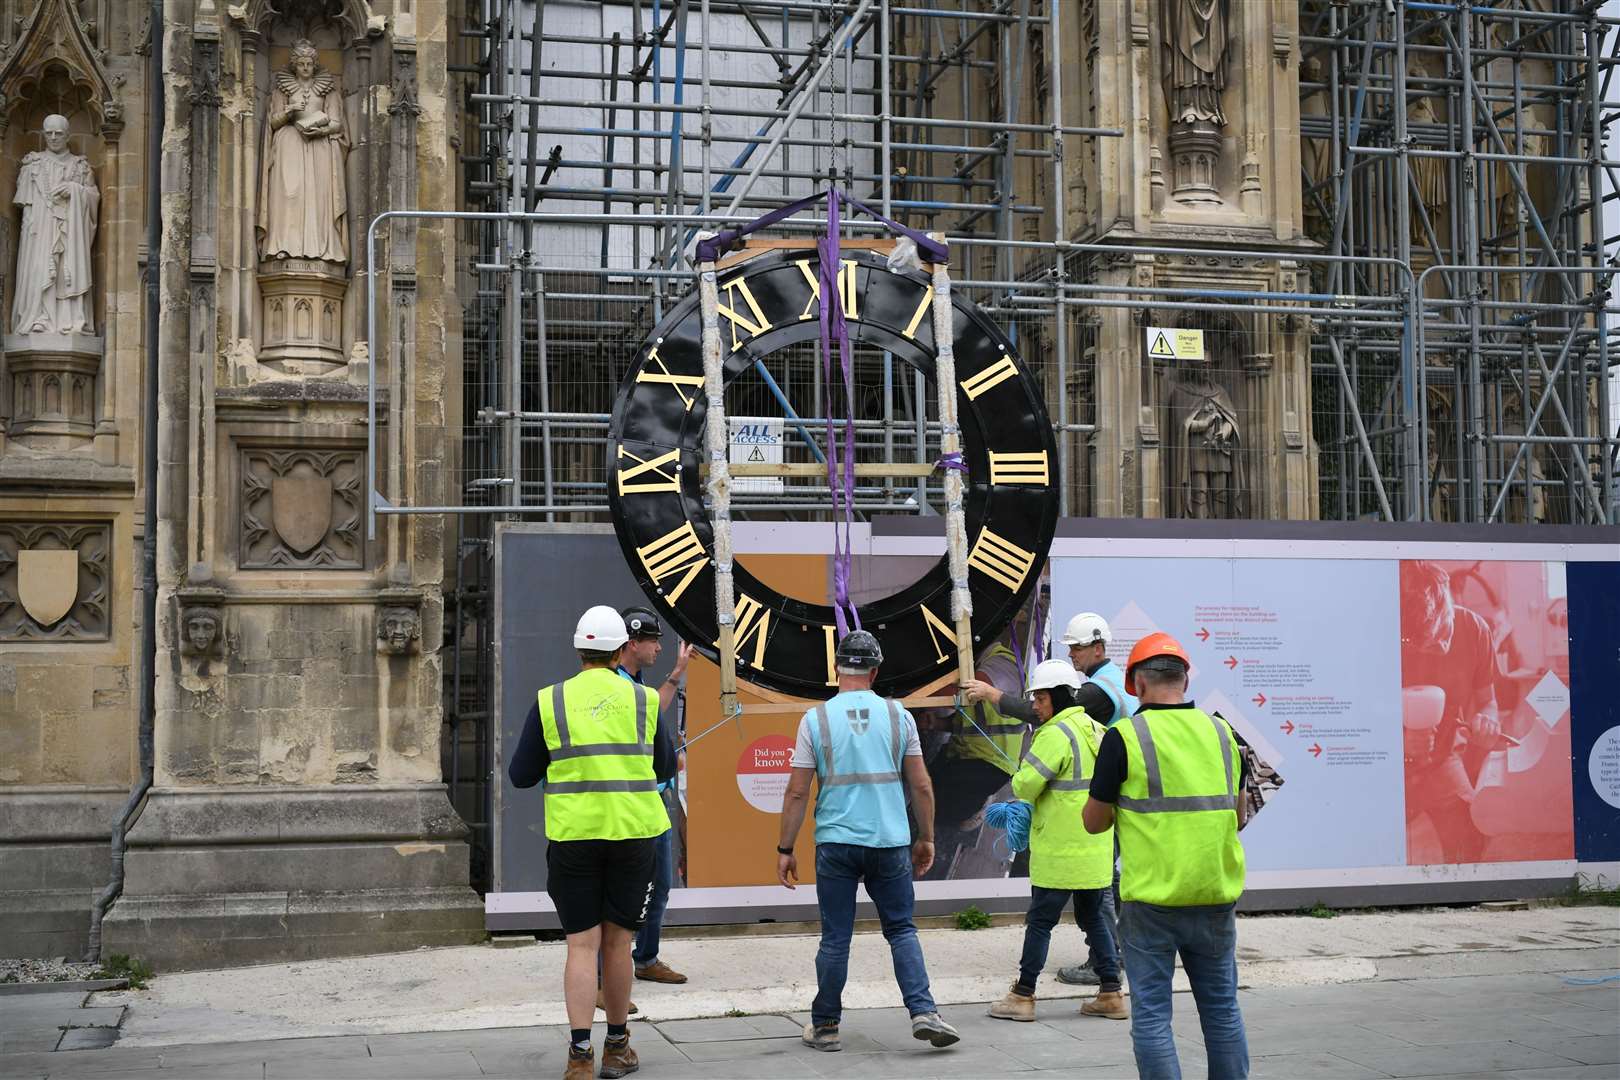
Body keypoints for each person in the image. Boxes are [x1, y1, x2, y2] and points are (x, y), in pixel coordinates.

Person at [508, 605, 677, 1080]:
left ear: (579, 648)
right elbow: (664, 769)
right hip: (631, 835)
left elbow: (520, 775)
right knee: (619, 943)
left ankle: (579, 1055)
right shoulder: (644, 701)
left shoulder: (551, 701)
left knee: (581, 946)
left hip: (574, 837)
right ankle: (617, 1047)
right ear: (621, 648)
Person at [775, 630, 961, 1054]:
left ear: (836, 669)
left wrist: (784, 849)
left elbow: (798, 792)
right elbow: (922, 786)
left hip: (836, 844)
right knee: (901, 929)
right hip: (890, 842)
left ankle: (825, 1026)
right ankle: (924, 1012)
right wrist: (926, 838)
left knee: (835, 938)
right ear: (875, 671)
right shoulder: (899, 717)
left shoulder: (815, 719)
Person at [1082, 632, 1250, 1080]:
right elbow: (1238, 813)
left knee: (1154, 1016)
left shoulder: (1124, 736)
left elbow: (1094, 823)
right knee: (1222, 1011)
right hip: (1215, 895)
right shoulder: (1222, 732)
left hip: (1152, 902)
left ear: (1134, 683)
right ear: (1185, 679)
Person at [963, 612, 1136, 983]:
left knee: (1091, 894)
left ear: (1099, 647)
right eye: (1070, 648)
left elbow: (1037, 715)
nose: (1072, 654)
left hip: (1100, 811)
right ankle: (1115, 962)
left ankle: (1106, 964)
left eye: (1077, 647)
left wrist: (992, 695)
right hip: (1114, 797)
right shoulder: (1112, 683)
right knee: (1106, 885)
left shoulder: (1094, 695)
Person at [987, 660, 1127, 1024]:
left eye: (1040, 698)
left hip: (1059, 852)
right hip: (1095, 850)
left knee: (1040, 922)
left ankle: (1022, 995)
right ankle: (1111, 993)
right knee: (1095, 917)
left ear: (1057, 697)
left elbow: (1025, 785)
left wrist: (1021, 778)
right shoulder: (1098, 730)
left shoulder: (1053, 735)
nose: (1035, 706)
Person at [1399, 561, 1501, 864]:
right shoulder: (1380, 633)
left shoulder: (1474, 629)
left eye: (1441, 636)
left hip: (1440, 761)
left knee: (1473, 836)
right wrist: (1397, 744)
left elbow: (1489, 702)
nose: (1439, 649)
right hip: (1379, 765)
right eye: (1425, 645)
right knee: (1365, 850)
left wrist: (1488, 720)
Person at [616, 606, 694, 986]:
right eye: (653, 641)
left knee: (661, 883)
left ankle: (645, 959)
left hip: (654, 798)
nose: (659, 647)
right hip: (628, 804)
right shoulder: (617, 685)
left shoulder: (636, 678)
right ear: (633, 643)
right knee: (627, 890)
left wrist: (676, 675)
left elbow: (650, 709)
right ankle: (607, 975)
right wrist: (676, 676)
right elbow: (649, 709)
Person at [923, 640, 1029, 877]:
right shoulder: (979, 663)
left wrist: (915, 697)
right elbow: (972, 721)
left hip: (990, 763)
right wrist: (939, 724)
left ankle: (974, 809)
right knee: (926, 797)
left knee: (938, 807)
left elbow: (962, 693)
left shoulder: (1002, 663)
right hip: (963, 754)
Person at [258, 38, 349, 263]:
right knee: (289, 196)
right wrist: (289, 112)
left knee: (318, 198)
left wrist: (320, 131)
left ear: (315, 64)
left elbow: (338, 123)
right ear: (294, 65)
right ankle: (283, 246)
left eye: (309, 63)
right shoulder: (282, 90)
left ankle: (320, 249)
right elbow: (273, 122)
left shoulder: (328, 90)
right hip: (289, 145)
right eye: (301, 64)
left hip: (319, 147)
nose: (306, 68)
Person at [13, 114, 99, 335]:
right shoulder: (32, 165)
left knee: (67, 270)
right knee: (40, 269)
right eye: (48, 133)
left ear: (68, 135)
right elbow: (27, 210)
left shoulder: (80, 167)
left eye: (58, 133)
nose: (53, 137)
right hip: (40, 231)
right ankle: (40, 317)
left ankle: (69, 320)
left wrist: (74, 189)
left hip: (71, 233)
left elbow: (93, 197)